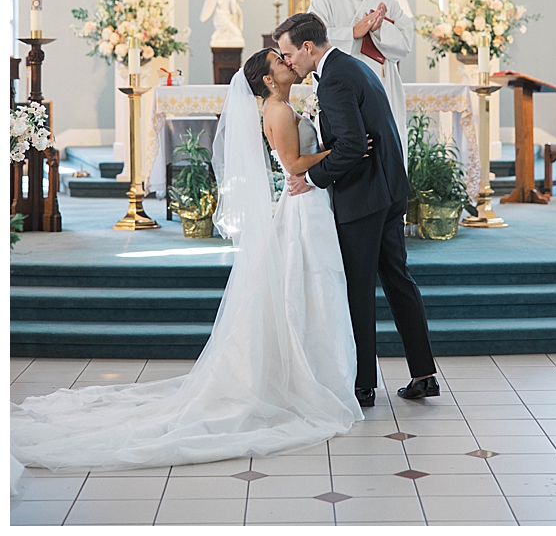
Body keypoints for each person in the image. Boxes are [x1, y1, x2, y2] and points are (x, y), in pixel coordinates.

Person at [11, 52, 362, 473]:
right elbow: (293, 165)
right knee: (307, 285)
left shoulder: (282, 106)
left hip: (308, 205)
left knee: (309, 286)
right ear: (268, 80)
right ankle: (308, 375)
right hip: (303, 205)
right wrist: (339, 153)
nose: (288, 62)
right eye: (278, 61)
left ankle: (317, 368)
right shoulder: (278, 110)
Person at [273, 12, 439, 406]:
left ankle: (363, 384)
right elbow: (366, 137)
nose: (288, 61)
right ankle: (424, 374)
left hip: (363, 199)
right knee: (399, 279)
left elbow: (350, 146)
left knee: (359, 289)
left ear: (308, 47)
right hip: (389, 189)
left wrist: (309, 179)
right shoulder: (355, 68)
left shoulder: (334, 80)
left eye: (288, 52)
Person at [308, 0, 413, 159]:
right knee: (346, 147)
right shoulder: (326, 0)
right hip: (340, 87)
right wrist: (353, 32)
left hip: (381, 85)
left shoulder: (389, 3)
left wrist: (380, 29)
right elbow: (311, 39)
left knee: (383, 151)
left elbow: (405, 45)